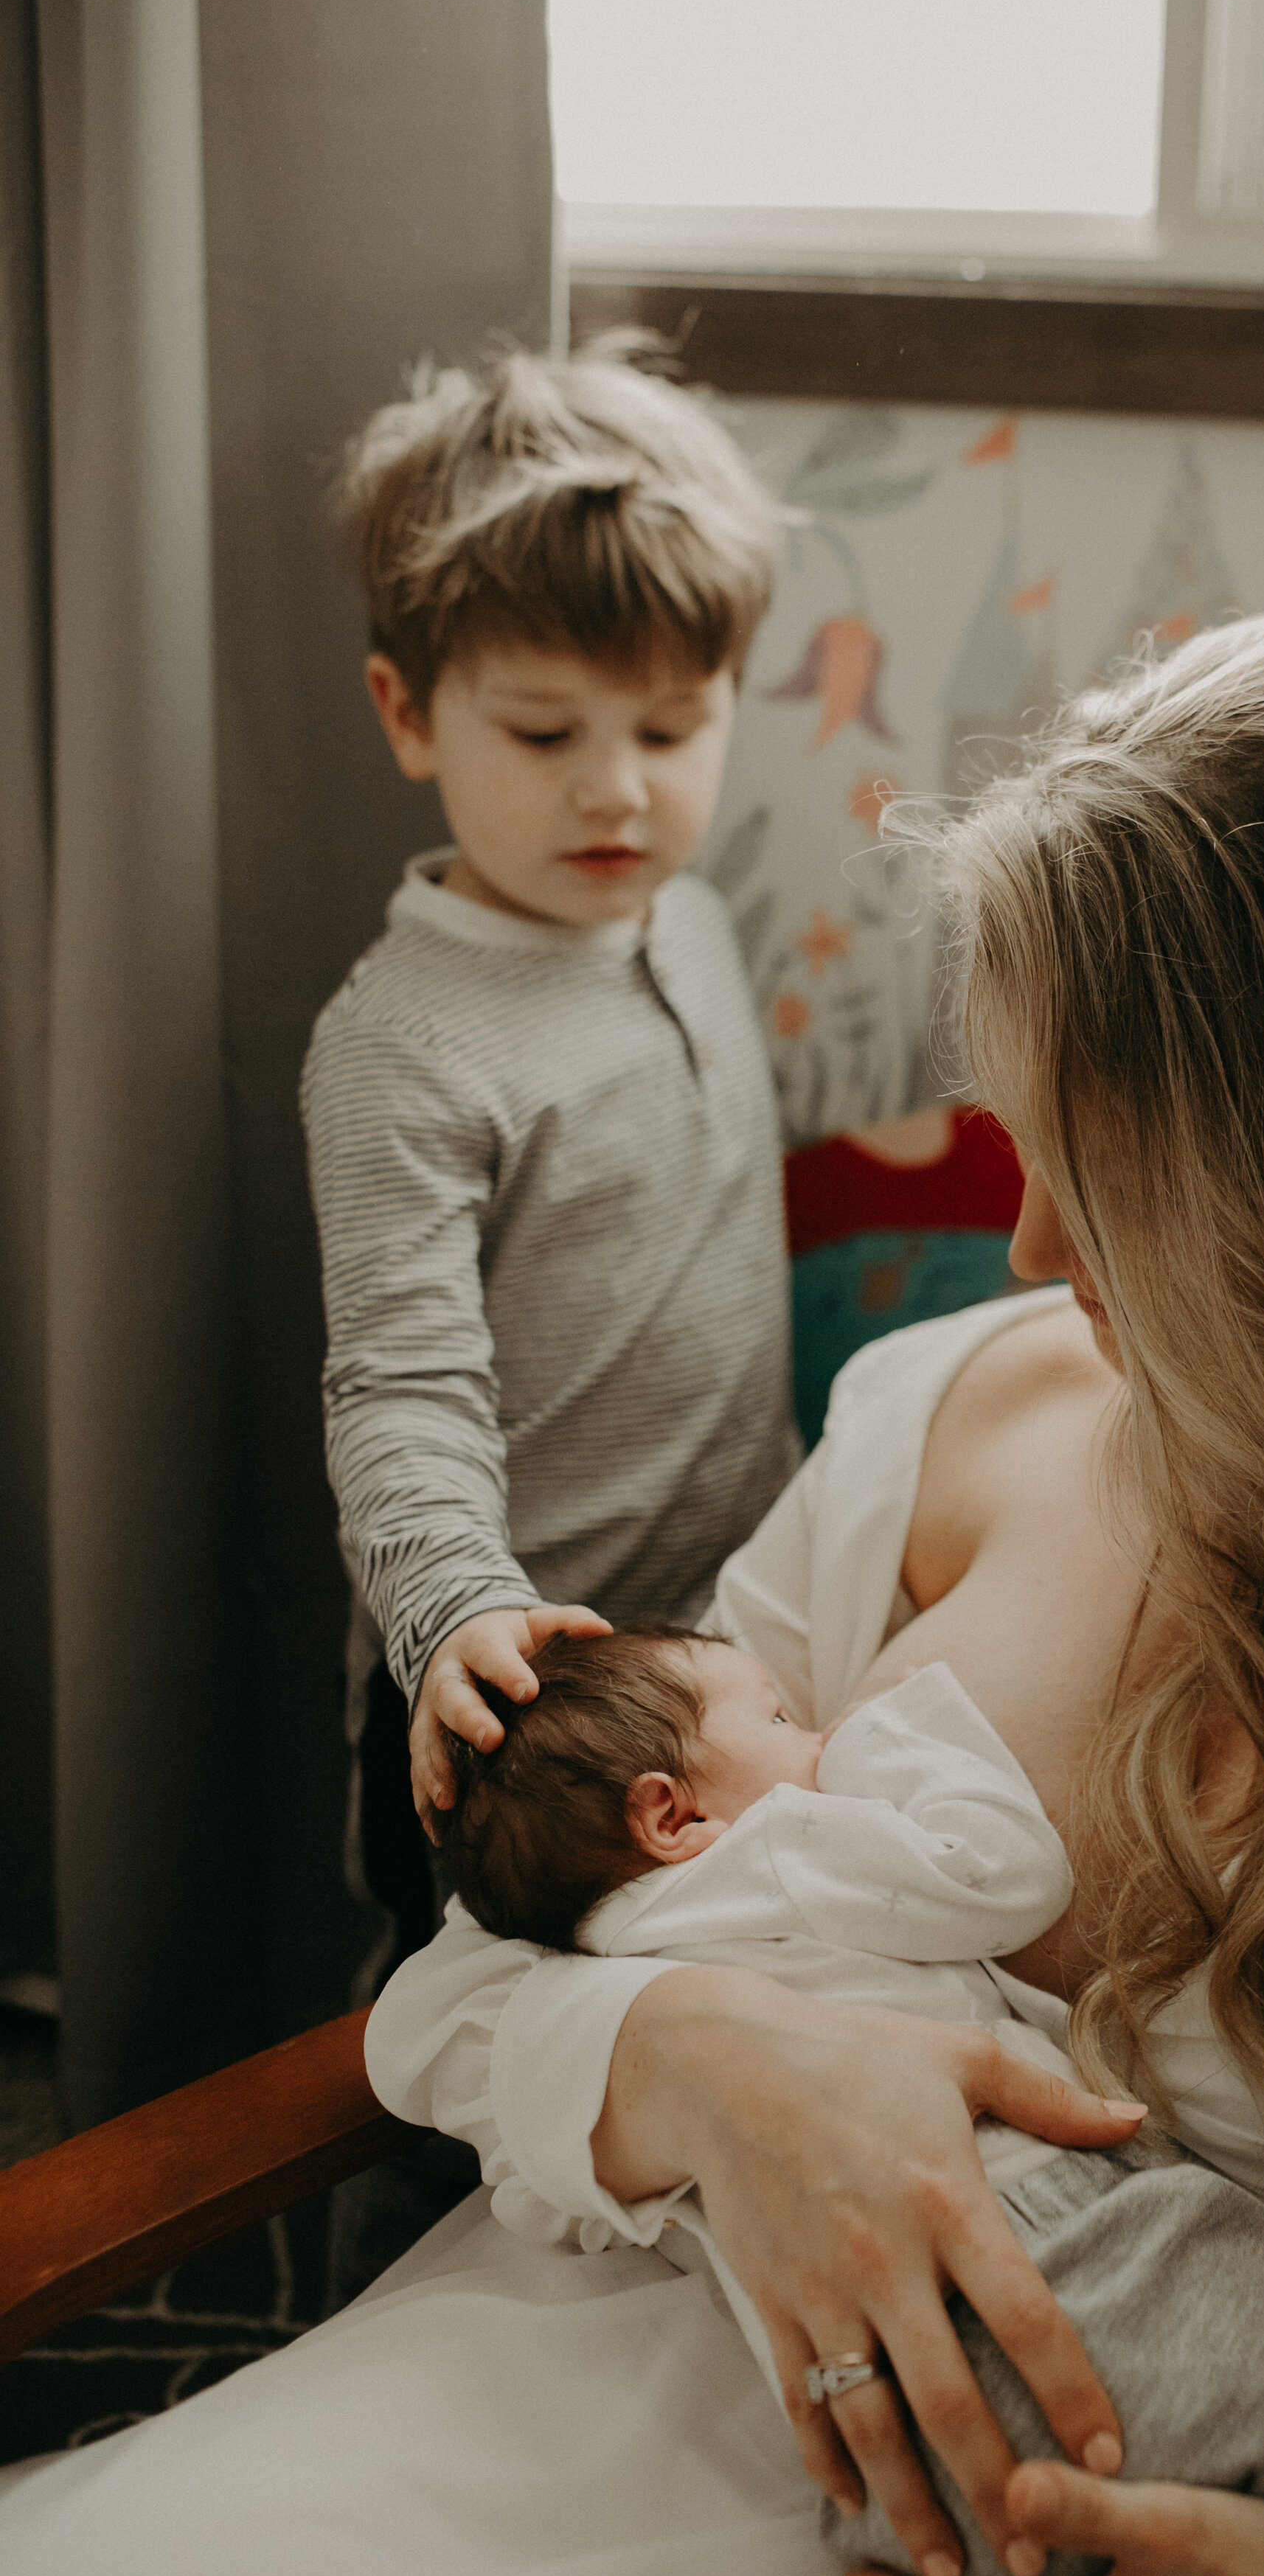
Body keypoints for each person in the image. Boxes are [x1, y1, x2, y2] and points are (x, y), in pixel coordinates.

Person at [3, 607, 1264, 2576]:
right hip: (595, 2382)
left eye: (1099, 1166)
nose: (1034, 1246)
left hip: (1214, 2562)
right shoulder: (956, 1404)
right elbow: (482, 1965)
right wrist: (699, 2063)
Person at [434, 1629, 1264, 2576]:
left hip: (868, 2384)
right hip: (1040, 2228)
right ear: (672, 1815)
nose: (813, 1731)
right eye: (782, 1715)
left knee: (1044, 2519)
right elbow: (1004, 1873)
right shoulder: (783, 1846)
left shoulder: (595, 1945)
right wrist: (891, 1733)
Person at [300, 333, 799, 1984]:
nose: (615, 790)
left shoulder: (695, 922)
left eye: (670, 729)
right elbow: (399, 1385)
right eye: (541, 734)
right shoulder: (403, 1046)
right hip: (524, 1703)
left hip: (726, 1642)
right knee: (465, 2040)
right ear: (408, 715)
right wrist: (454, 1614)